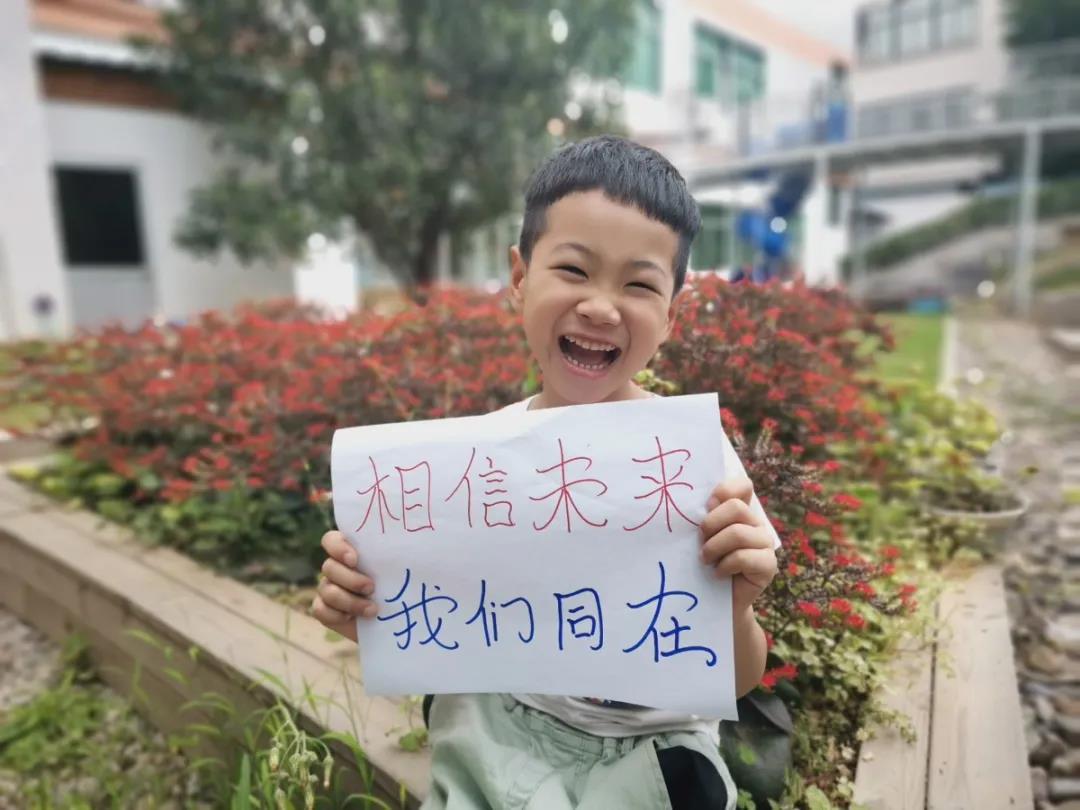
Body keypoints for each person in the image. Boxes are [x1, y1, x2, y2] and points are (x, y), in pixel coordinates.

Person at [312, 135, 779, 810]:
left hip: (651, 749)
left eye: (639, 284)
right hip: (500, 728)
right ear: (520, 278)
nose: (601, 306)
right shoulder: (475, 465)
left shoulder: (697, 463)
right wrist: (368, 610)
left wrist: (734, 608)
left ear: (671, 315)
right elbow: (443, 617)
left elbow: (738, 679)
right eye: (574, 270)